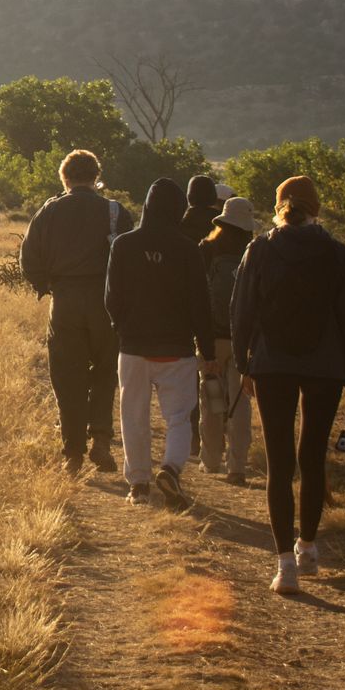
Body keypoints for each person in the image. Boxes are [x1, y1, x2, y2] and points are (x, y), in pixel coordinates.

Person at [233, 175, 345, 594]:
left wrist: (244, 364)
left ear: (279, 207)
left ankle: (284, 567)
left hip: (271, 364)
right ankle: (308, 548)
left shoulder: (260, 249)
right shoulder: (337, 253)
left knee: (279, 464)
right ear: (318, 208)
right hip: (325, 367)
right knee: (312, 458)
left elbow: (241, 310)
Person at [20, 149, 135, 476]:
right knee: (105, 372)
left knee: (67, 376)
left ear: (64, 177)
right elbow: (129, 258)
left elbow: (28, 259)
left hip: (65, 301)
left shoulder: (49, 211)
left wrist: (47, 285)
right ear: (96, 177)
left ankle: (72, 453)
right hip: (106, 302)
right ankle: (101, 438)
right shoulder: (116, 211)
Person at [104, 177, 216, 508]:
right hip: (177, 349)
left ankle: (139, 485)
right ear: (178, 209)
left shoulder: (123, 244)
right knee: (179, 417)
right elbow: (201, 304)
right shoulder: (188, 249)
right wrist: (207, 351)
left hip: (134, 347)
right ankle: (171, 469)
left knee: (133, 417)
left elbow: (112, 297)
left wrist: (122, 327)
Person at [197, 194, 257, 485]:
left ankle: (210, 460)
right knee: (240, 403)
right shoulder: (255, 252)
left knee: (212, 399)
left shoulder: (206, 249)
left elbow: (197, 295)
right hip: (244, 341)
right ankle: (237, 467)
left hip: (211, 340)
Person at [181, 175, 222, 460]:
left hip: (185, 308)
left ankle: (193, 437)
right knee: (216, 372)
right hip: (218, 312)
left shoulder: (180, 225)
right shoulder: (223, 226)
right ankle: (219, 435)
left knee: (188, 375)